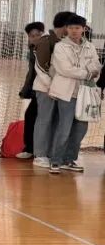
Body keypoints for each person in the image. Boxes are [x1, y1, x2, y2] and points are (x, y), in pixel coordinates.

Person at [45, 15, 100, 174]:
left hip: (85, 94)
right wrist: (86, 73)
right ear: (66, 29)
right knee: (64, 128)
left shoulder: (90, 46)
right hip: (66, 94)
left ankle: (69, 160)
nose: (74, 31)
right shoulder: (60, 47)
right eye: (71, 28)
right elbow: (64, 69)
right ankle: (56, 161)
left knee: (80, 129)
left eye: (77, 28)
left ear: (84, 29)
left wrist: (90, 72)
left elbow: (96, 66)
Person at [32, 12, 73, 169]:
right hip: (45, 89)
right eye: (70, 26)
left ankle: (51, 153)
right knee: (44, 120)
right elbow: (40, 67)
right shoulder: (46, 41)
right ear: (64, 26)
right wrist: (51, 87)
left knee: (57, 121)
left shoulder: (65, 42)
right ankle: (39, 154)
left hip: (61, 90)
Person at [16, 22, 45, 159]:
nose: (35, 38)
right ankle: (31, 149)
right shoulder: (32, 50)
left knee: (36, 117)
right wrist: (25, 90)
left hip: (47, 90)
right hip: (37, 90)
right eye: (32, 36)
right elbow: (31, 73)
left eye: (38, 35)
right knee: (30, 116)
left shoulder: (46, 49)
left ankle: (37, 150)